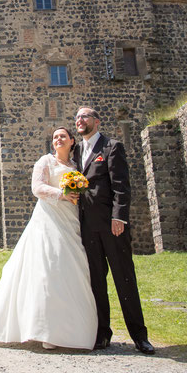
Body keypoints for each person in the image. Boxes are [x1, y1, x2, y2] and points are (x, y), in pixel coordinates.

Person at [0, 127, 98, 350]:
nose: (58, 139)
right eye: (55, 137)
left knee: (73, 268)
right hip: (49, 219)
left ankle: (70, 330)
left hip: (71, 220)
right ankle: (45, 330)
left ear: (72, 141)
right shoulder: (45, 161)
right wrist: (61, 194)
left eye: (62, 136)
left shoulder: (77, 167)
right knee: (49, 268)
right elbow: (37, 188)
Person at [73, 107, 154, 355]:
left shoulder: (112, 147)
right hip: (87, 228)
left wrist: (119, 217)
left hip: (112, 225)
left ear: (96, 121)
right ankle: (102, 334)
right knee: (96, 282)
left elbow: (121, 186)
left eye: (85, 116)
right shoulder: (75, 151)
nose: (80, 120)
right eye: (77, 117)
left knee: (124, 279)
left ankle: (140, 336)